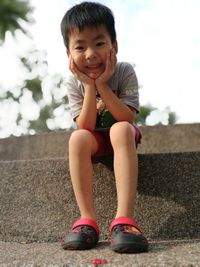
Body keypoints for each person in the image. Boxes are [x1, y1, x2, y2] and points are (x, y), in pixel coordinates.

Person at [60, 1, 148, 253]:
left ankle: (124, 221)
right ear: (69, 55)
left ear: (114, 46)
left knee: (119, 129)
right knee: (77, 138)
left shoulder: (125, 71)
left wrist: (103, 85)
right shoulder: (73, 83)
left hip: (122, 137)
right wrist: (89, 85)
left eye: (99, 43)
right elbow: (85, 125)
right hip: (95, 141)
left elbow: (126, 118)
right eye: (80, 47)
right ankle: (86, 220)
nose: (90, 54)